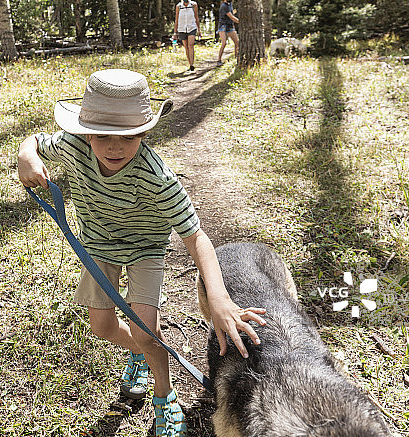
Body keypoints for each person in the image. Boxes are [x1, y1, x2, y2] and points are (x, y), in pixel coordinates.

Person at [18, 69, 266, 437]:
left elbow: (195, 236)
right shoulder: (71, 145)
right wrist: (26, 155)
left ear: (145, 132)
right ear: (84, 131)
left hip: (145, 250)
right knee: (101, 328)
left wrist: (219, 297)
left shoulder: (156, 176)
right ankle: (138, 353)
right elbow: (34, 140)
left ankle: (165, 395)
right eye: (103, 135)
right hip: (98, 245)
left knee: (146, 332)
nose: (115, 146)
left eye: (129, 136)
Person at [173, 0, 199, 71]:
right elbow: (176, 19)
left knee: (191, 45)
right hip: (182, 28)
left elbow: (196, 17)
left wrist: (199, 29)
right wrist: (175, 32)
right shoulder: (179, 6)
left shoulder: (194, 5)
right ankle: (190, 63)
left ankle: (192, 65)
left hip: (192, 27)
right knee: (186, 47)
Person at [216, 0, 239, 66]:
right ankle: (219, 60)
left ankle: (236, 59)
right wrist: (240, 22)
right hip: (223, 26)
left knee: (237, 42)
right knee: (224, 43)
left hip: (229, 26)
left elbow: (232, 13)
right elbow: (231, 16)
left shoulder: (230, 4)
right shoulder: (224, 6)